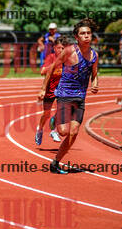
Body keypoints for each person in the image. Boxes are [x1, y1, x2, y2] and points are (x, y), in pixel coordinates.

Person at [38, 19, 99, 174]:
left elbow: (94, 74)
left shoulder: (94, 55)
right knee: (64, 132)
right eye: (83, 33)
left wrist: (95, 84)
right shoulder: (69, 51)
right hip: (64, 95)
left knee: (74, 133)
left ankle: (55, 163)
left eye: (88, 33)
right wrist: (43, 89)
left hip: (80, 98)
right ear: (76, 37)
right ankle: (55, 118)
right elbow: (51, 69)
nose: (86, 36)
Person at [35, 35, 69, 145]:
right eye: (59, 48)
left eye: (63, 48)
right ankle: (40, 129)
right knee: (46, 113)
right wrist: (54, 65)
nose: (61, 50)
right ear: (54, 48)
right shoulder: (51, 57)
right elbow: (42, 71)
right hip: (50, 89)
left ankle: (54, 130)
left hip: (62, 90)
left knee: (62, 109)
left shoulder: (68, 60)